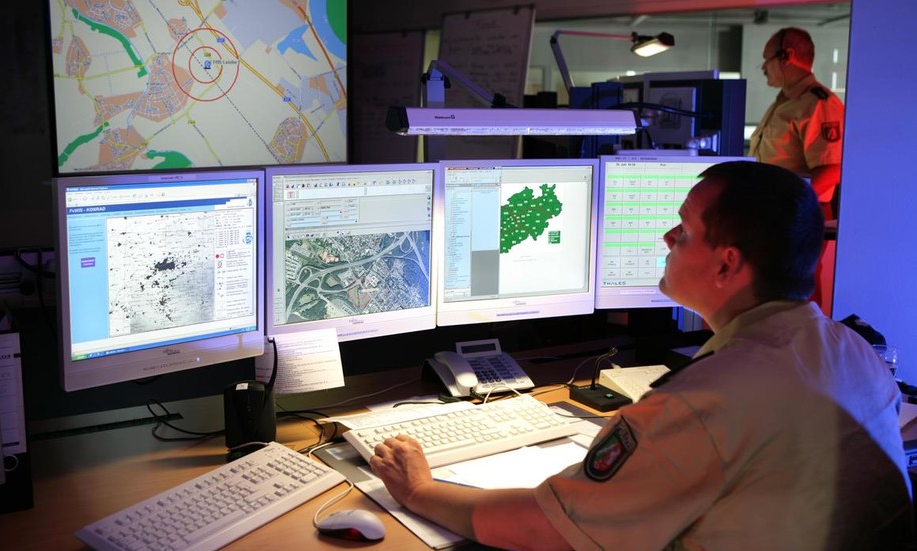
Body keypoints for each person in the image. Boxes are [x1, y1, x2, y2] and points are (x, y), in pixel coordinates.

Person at [369, 161, 914, 550]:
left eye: (685, 231)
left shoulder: (703, 402)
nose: (667, 237)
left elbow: (545, 529)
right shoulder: (855, 352)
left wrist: (420, 490)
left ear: (726, 265)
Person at [748, 27, 844, 221]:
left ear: (787, 57)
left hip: (797, 215)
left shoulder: (818, 104)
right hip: (775, 210)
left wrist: (790, 206)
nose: (763, 67)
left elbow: (832, 169)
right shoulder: (785, 102)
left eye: (767, 59)